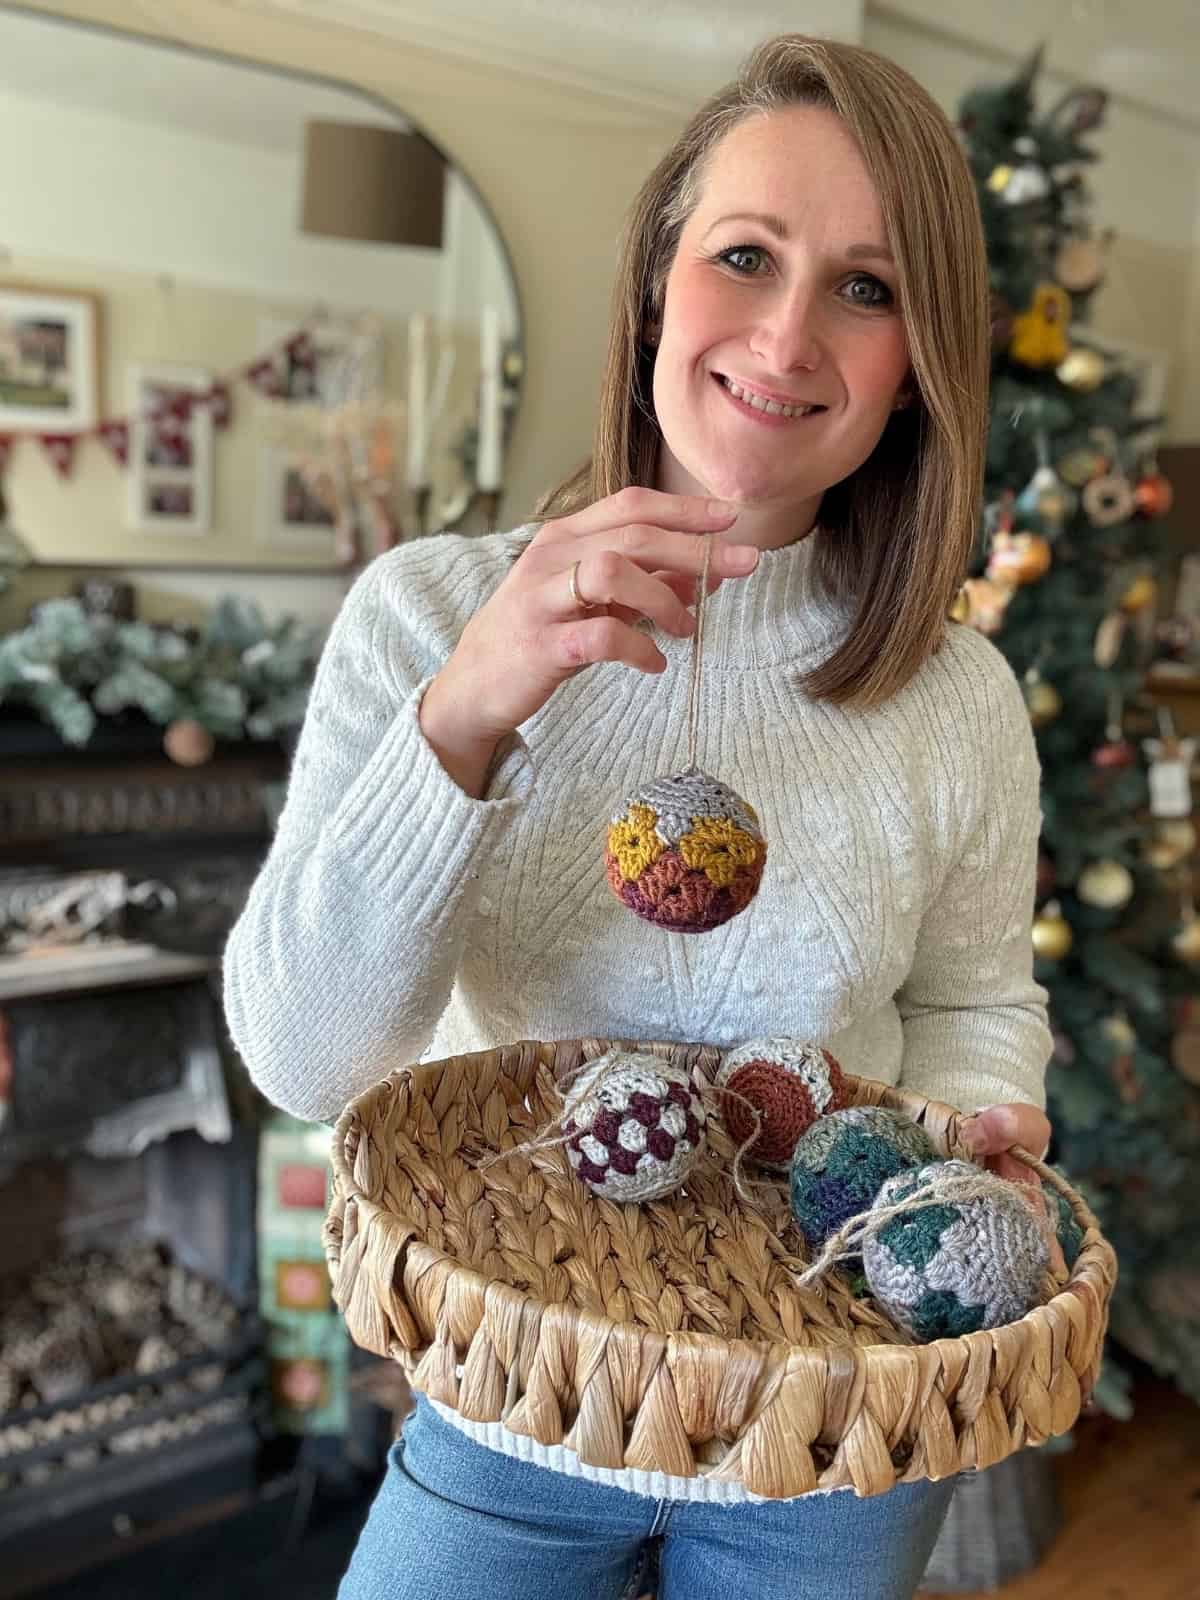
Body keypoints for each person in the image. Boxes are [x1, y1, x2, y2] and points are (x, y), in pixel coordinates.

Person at [224, 33, 1056, 1600]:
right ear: (661, 284)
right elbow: (305, 1061)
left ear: (920, 355)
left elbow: (974, 1002)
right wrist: (465, 718)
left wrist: (970, 1132)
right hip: (517, 1410)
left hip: (831, 1426)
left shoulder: (958, 700)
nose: (790, 334)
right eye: (747, 255)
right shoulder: (430, 617)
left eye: (868, 289)